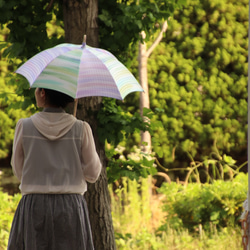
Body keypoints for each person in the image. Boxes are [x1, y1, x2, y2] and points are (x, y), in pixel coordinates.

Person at [8, 88, 102, 250]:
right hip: (70, 207)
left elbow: (19, 170)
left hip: (34, 205)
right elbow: (93, 174)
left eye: (37, 89)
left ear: (43, 93)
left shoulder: (25, 126)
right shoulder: (81, 128)